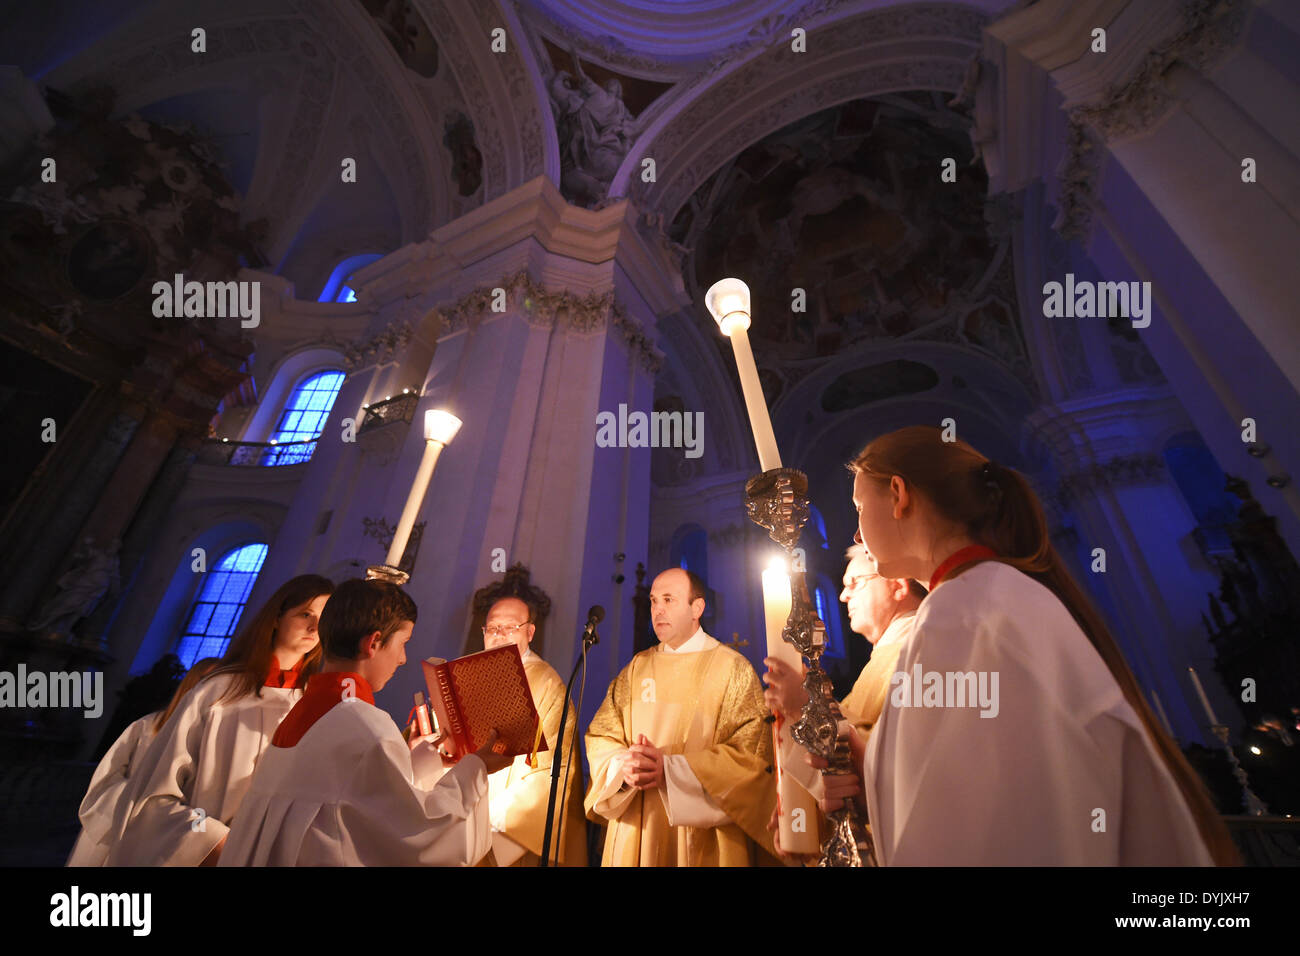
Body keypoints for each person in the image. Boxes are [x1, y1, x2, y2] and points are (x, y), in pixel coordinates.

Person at [823, 425, 1238, 865]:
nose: (856, 534)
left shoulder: (963, 614)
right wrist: (872, 772)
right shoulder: (986, 597)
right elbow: (974, 786)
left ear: (898, 494)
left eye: (858, 508)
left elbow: (991, 833)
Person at [219, 578, 511, 866]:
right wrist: (477, 768)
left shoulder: (299, 711)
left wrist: (427, 761)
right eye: (403, 643)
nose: (403, 659)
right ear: (373, 643)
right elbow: (420, 836)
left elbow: (346, 797)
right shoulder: (367, 726)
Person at [107, 574, 334, 866]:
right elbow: (154, 797)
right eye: (305, 614)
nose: (314, 627)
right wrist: (214, 842)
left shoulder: (315, 705)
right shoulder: (218, 692)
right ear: (276, 618)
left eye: (323, 619)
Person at [585, 567, 776, 866]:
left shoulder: (732, 670)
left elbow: (750, 756)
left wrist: (671, 771)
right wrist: (625, 766)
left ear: (697, 608)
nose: (658, 609)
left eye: (669, 599)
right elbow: (602, 735)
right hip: (638, 822)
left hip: (703, 834)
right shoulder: (637, 668)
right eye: (653, 601)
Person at [762, 544, 922, 849]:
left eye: (854, 584)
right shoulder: (885, 658)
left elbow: (897, 766)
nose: (843, 595)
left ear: (898, 585)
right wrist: (802, 812)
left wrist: (807, 708)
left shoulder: (918, 652)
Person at [67, 657, 221, 866]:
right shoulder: (146, 727)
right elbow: (104, 784)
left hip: (173, 839)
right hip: (120, 830)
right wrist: (141, 802)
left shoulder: (217, 741)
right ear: (192, 686)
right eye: (207, 681)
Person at [478, 595, 587, 866]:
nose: (499, 635)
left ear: (529, 632)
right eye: (492, 628)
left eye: (510, 627)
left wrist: (493, 819)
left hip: (504, 828)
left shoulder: (547, 685)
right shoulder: (471, 674)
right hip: (461, 814)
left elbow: (553, 770)